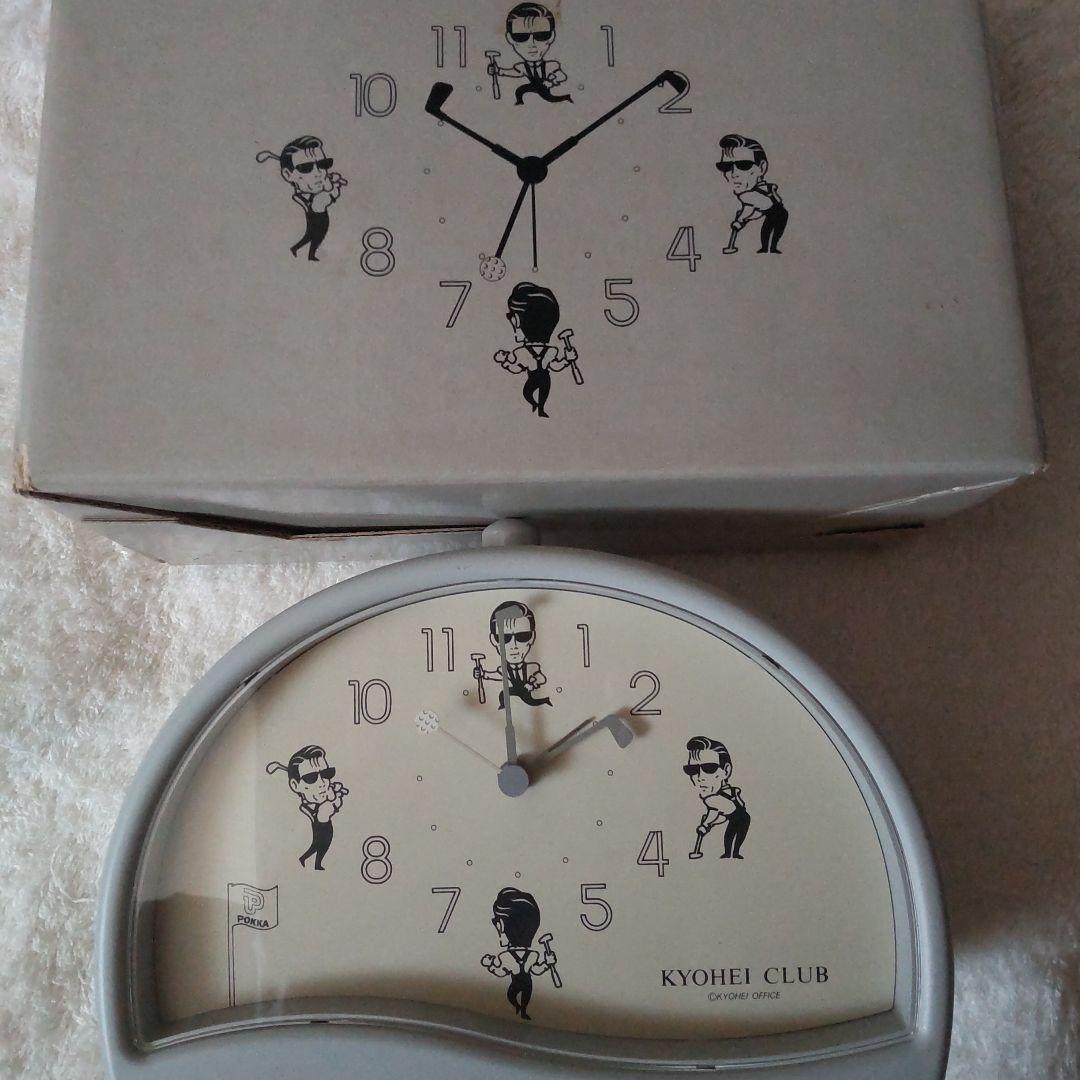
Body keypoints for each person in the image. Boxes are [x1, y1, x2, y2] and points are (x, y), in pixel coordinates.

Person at [494, 282, 577, 418]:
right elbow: (555, 366)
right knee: (528, 393)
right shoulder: (540, 351)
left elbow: (518, 368)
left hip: (541, 378)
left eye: (511, 317)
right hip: (541, 378)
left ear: (516, 321)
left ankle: (540, 409)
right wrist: (567, 360)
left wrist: (505, 362)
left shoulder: (525, 352)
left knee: (534, 394)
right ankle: (535, 405)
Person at [256, 136, 347, 260]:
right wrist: (334, 185)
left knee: (310, 238)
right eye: (306, 168)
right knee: (314, 238)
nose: (318, 173)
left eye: (323, 164)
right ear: (288, 175)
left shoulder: (310, 194)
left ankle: (301, 251)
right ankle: (308, 255)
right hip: (318, 224)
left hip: (318, 225)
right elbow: (330, 195)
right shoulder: (318, 199)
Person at [266, 745, 349, 869]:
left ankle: (310, 862)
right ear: (295, 785)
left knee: (318, 848)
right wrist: (335, 796)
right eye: (311, 778)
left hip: (326, 834)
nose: (322, 783)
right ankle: (310, 862)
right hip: (321, 834)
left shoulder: (323, 800)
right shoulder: (316, 809)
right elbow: (330, 807)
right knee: (318, 847)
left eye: (326, 774)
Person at [481, 887, 557, 1020]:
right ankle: (518, 1008)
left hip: (521, 983)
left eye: (496, 922)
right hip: (526, 983)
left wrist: (491, 966)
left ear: (501, 926)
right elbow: (536, 970)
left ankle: (521, 1010)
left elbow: (501, 972)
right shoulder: (531, 955)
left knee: (514, 997)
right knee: (513, 997)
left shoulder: (506, 956)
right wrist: (547, 964)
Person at [715, 134, 788, 255]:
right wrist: (743, 220)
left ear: (762, 168)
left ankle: (769, 251)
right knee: (767, 236)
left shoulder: (747, 195)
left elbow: (750, 209)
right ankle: (768, 250)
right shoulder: (760, 191)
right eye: (726, 166)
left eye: (743, 165)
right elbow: (758, 211)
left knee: (768, 237)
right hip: (778, 215)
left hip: (777, 215)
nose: (733, 173)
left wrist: (740, 220)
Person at [473, 600, 552, 708]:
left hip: (528, 697)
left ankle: (545, 700)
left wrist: (532, 683)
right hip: (513, 699)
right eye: (504, 638)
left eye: (522, 636)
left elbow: (541, 677)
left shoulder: (532, 666)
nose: (514, 645)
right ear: (494, 640)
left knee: (532, 702)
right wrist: (483, 674)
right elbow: (496, 675)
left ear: (532, 637)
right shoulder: (504, 670)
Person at [490, 3, 572, 106]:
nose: (532, 44)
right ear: (510, 39)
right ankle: (520, 104)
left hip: (544, 88)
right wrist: (498, 71)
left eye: (541, 35)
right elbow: (515, 73)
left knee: (551, 99)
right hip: (533, 87)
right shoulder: (522, 67)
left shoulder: (551, 65)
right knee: (520, 90)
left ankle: (566, 97)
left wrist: (551, 81)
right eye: (521, 36)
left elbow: (562, 76)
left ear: (552, 36)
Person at [684, 736, 751, 860]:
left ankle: (732, 855)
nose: (700, 777)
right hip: (743, 819)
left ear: (726, 770)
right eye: (692, 770)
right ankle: (732, 855)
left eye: (709, 768)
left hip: (740, 819)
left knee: (730, 839)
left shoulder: (712, 799)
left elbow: (715, 813)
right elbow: (723, 815)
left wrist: (705, 825)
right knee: (732, 840)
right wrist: (709, 825)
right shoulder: (728, 792)